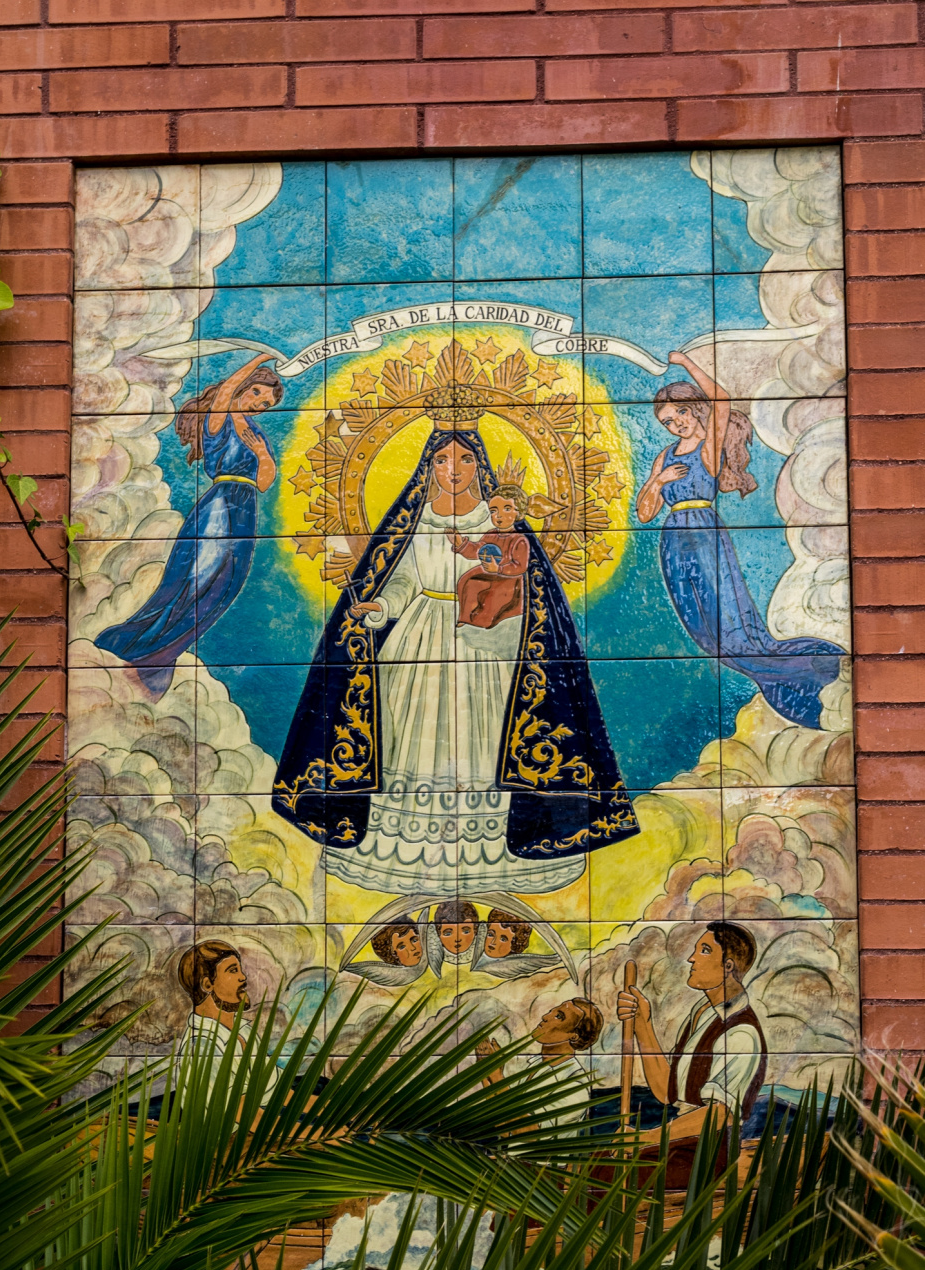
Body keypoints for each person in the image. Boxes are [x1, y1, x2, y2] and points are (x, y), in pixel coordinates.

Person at [274, 385, 639, 893]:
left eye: (465, 458)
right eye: (443, 459)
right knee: (408, 736)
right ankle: (409, 854)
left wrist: (509, 614)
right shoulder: (415, 520)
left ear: (479, 464)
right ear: (428, 465)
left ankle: (496, 854)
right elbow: (402, 579)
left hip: (485, 638)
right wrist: (380, 608)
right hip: (418, 636)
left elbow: (528, 587)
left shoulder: (499, 520)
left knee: (487, 735)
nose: (453, 469)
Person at [636, 351, 842, 730]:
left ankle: (812, 669)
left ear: (694, 409)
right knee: (706, 635)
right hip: (673, 542)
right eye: (667, 422)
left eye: (681, 414)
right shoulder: (664, 457)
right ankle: (792, 678)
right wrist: (658, 480)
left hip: (704, 535)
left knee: (730, 629)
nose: (676, 424)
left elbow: (722, 401)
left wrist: (687, 363)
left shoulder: (709, 448)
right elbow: (645, 512)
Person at [95, 352, 283, 697]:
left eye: (266, 403)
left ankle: (161, 657)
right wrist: (260, 358)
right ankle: (137, 645)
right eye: (257, 393)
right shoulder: (219, 419)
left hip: (245, 511)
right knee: (196, 581)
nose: (259, 404)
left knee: (224, 587)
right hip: (219, 507)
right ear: (244, 386)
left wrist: (263, 454)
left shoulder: (257, 434)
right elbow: (225, 391)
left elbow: (264, 481)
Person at [616, 921, 768, 1188]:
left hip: (705, 1155)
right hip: (682, 1144)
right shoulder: (703, 1012)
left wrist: (645, 1138)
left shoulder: (741, 1032)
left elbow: (719, 1115)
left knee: (606, 1178)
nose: (692, 958)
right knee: (594, 1163)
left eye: (704, 950)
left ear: (728, 966)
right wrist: (642, 1024)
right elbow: (667, 1092)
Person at [176, 938, 277, 1110]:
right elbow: (239, 1111)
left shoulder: (245, 1032)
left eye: (240, 970)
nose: (243, 977)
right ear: (207, 984)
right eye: (233, 971)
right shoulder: (200, 1046)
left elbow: (280, 1091)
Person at [476, 998, 602, 1132]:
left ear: (574, 1036)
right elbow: (504, 1125)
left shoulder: (575, 1085)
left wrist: (497, 1077)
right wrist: (486, 1072)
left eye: (559, 1016)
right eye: (552, 1011)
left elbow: (532, 1132)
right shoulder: (533, 1064)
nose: (545, 1017)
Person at [451, 484, 530, 629]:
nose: (498, 515)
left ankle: (483, 621)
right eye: (494, 510)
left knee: (493, 594)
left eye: (507, 509)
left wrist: (499, 569)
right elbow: (477, 550)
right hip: (488, 572)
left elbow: (520, 567)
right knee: (467, 581)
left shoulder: (519, 540)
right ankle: (465, 617)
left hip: (507, 579)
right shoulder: (490, 535)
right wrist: (461, 544)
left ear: (518, 512)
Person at [470, 907, 562, 979]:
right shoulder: (477, 951)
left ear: (514, 945)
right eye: (490, 934)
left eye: (503, 939)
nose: (493, 942)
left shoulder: (502, 966)